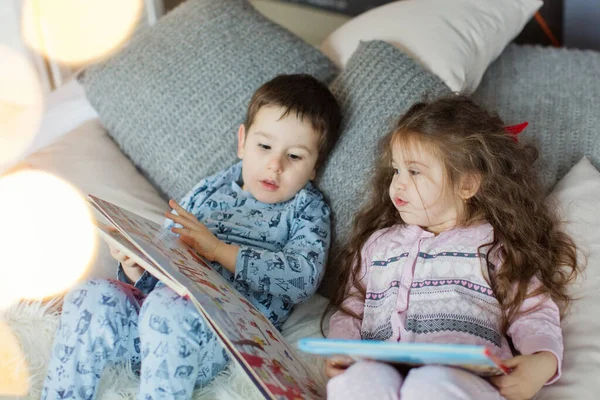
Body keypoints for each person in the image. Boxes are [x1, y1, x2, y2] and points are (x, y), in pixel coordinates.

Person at [41, 74, 341, 400]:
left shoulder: (306, 208)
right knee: (92, 295)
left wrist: (218, 250)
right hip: (154, 314)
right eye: (264, 146)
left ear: (315, 166)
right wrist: (136, 266)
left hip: (218, 334)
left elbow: (303, 276)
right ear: (242, 142)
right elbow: (166, 246)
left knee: (167, 307)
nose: (274, 164)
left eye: (294, 156)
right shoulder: (211, 188)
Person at [324, 96, 579, 400]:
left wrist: (541, 362)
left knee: (431, 384)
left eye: (414, 172)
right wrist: (342, 350)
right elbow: (353, 309)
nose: (398, 184)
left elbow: (532, 312)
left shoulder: (493, 246)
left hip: (464, 382)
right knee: (360, 379)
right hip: (385, 370)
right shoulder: (378, 246)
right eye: (396, 170)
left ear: (467, 184)